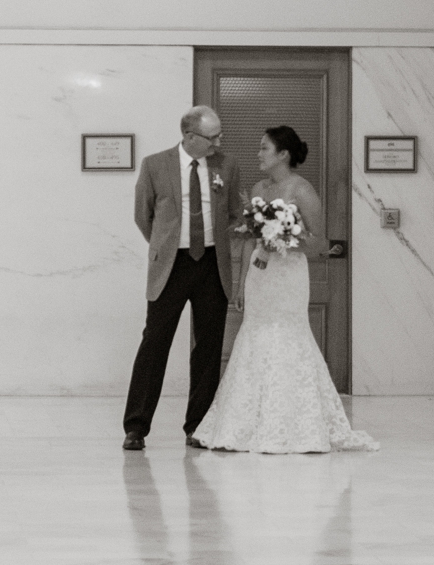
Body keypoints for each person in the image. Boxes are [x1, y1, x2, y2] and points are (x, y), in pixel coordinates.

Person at [191, 124, 379, 455]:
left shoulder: (302, 190)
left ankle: (294, 423)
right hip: (261, 277)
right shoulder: (259, 188)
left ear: (283, 154)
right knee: (253, 336)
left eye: (264, 148)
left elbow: (320, 243)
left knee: (287, 337)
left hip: (289, 275)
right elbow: (251, 240)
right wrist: (242, 282)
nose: (258, 154)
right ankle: (242, 423)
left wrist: (286, 237)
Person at [123, 106, 233, 450]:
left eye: (219, 135)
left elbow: (230, 213)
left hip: (212, 264)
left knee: (208, 346)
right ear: (189, 137)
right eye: (212, 137)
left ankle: (198, 425)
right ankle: (136, 426)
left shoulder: (226, 165)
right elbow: (144, 216)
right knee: (154, 343)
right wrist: (167, 246)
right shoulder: (155, 165)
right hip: (172, 265)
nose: (219, 142)